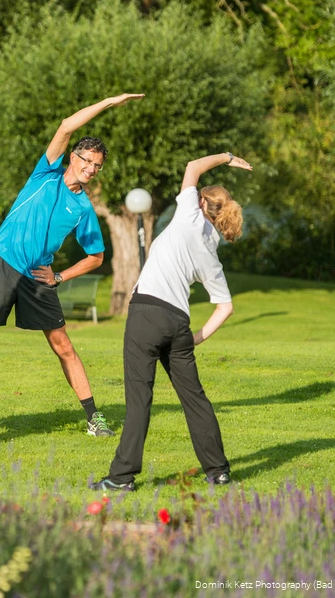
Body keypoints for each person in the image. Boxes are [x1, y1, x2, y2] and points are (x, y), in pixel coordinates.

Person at [0, 93, 147, 438]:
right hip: (2, 263)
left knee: (63, 346)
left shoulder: (84, 208)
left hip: (38, 277)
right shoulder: (46, 173)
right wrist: (108, 103)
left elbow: (97, 257)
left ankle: (93, 417)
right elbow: (66, 126)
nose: (90, 168)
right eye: (86, 161)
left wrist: (60, 276)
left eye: (97, 165)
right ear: (73, 157)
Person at [90, 151, 252, 491]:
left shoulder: (188, 216)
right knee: (195, 399)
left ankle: (121, 478)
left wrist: (227, 157)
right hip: (178, 323)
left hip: (147, 313)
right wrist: (194, 338)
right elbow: (225, 307)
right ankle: (219, 471)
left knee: (139, 400)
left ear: (200, 201)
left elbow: (192, 166)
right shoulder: (211, 248)